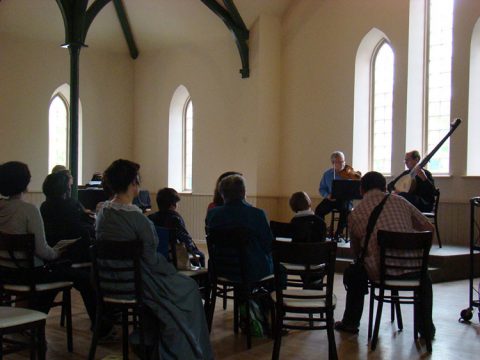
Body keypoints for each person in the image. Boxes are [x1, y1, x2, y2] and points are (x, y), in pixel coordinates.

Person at [96, 159, 213, 359]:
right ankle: (187, 351)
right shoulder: (138, 219)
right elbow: (151, 260)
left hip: (108, 282)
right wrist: (173, 270)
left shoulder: (102, 214)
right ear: (133, 184)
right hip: (139, 284)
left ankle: (149, 339)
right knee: (190, 289)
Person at [0, 161, 101, 332]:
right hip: (28, 274)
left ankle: (32, 322)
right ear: (25, 183)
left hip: (5, 273)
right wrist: (57, 252)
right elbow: (43, 251)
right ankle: (101, 327)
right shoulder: (29, 210)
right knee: (82, 278)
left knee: (56, 276)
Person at [335, 171, 435, 339]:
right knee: (425, 278)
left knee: (355, 273)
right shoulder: (401, 202)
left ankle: (350, 323)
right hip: (414, 270)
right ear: (384, 187)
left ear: (361, 190)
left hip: (380, 271)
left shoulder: (356, 213)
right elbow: (429, 229)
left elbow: (356, 251)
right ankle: (426, 328)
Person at [206, 174, 273, 283]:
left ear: (222, 194)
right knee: (280, 269)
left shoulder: (212, 214)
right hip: (251, 269)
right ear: (244, 192)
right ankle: (264, 299)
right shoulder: (257, 214)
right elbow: (268, 245)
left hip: (220, 267)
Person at [40, 171, 93, 263]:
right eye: (69, 185)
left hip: (51, 251)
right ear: (65, 189)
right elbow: (79, 230)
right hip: (73, 255)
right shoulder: (71, 205)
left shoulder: (44, 206)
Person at [148, 187, 205, 267]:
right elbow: (185, 239)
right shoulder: (175, 218)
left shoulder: (150, 218)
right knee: (201, 255)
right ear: (173, 205)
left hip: (156, 254)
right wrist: (194, 250)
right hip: (174, 255)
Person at [315, 151, 355, 239]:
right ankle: (322, 232)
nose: (343, 164)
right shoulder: (327, 174)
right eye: (340, 162)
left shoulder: (349, 174)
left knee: (346, 210)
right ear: (333, 163)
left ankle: (338, 233)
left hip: (345, 200)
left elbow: (353, 189)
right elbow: (322, 189)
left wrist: (351, 178)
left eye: (343, 161)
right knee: (318, 210)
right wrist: (327, 195)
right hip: (331, 199)